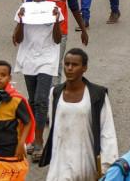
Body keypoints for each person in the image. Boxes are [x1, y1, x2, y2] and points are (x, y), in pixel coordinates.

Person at [40, 48, 118, 180]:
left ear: (84, 68)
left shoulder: (97, 95)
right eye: (67, 64)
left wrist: (105, 166)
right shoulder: (56, 93)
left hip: (85, 162)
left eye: (75, 65)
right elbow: (55, 128)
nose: (69, 68)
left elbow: (107, 131)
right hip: (60, 162)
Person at [12, 0, 63, 161]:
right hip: (29, 59)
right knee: (33, 100)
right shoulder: (24, 9)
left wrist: (57, 20)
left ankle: (39, 141)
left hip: (48, 59)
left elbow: (57, 39)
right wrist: (21, 20)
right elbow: (18, 39)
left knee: (41, 100)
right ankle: (32, 137)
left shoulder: (53, 10)